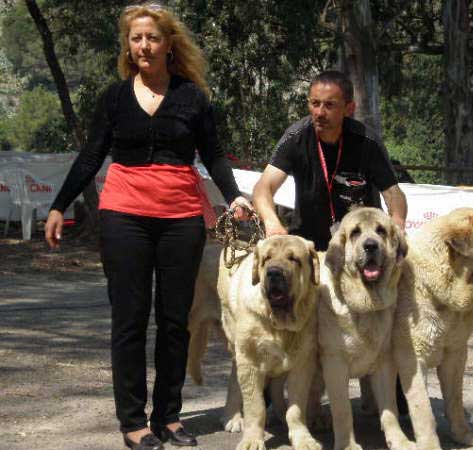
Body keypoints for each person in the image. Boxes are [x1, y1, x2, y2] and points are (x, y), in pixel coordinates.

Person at [44, 3, 252, 450]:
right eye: (136, 38)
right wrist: (60, 205)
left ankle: (169, 417)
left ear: (168, 43)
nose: (143, 46)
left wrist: (233, 193)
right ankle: (134, 421)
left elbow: (213, 155)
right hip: (125, 217)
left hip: (181, 219)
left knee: (176, 322)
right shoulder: (115, 98)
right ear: (128, 45)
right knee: (130, 321)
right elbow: (90, 156)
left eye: (152, 38)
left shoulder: (192, 97)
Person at [253, 70, 407, 251]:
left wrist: (397, 224)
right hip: (310, 245)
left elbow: (393, 194)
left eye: (329, 105)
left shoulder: (368, 141)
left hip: (359, 245)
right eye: (315, 103)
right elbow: (263, 187)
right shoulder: (295, 137)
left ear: (349, 108)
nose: (319, 112)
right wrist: (272, 222)